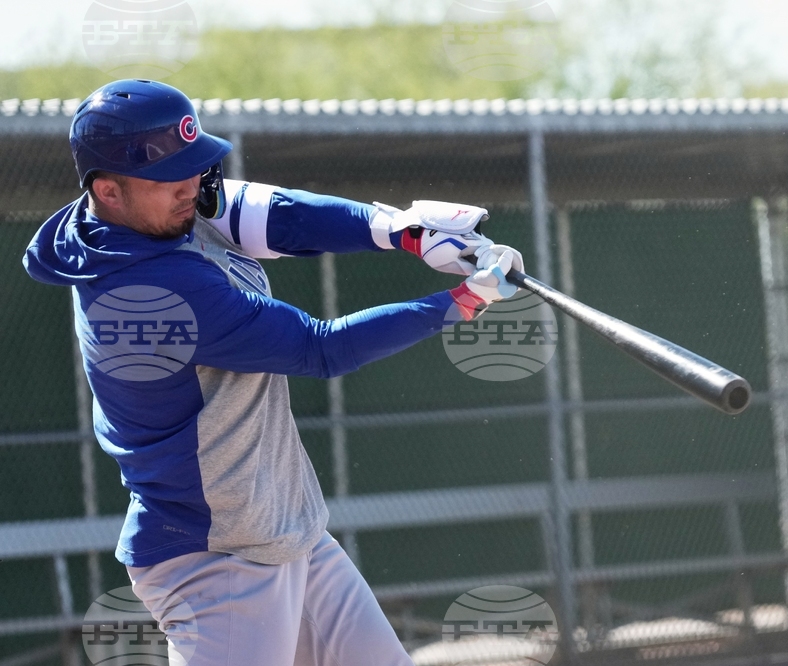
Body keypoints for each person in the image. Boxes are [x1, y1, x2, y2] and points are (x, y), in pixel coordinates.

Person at [22, 79, 524, 665]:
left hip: (287, 532)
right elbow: (321, 348)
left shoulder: (158, 211)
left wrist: (398, 230)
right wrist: (460, 302)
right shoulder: (146, 291)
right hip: (215, 556)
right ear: (107, 190)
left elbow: (280, 217)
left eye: (196, 168)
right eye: (173, 179)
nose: (195, 188)